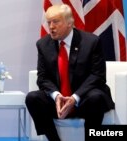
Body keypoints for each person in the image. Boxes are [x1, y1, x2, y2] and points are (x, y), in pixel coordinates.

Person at [25, 4, 114, 141]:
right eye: (49, 22)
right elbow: (42, 78)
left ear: (69, 23)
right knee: (32, 98)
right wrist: (56, 96)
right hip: (58, 103)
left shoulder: (91, 42)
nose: (51, 27)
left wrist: (74, 98)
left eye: (56, 21)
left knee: (96, 97)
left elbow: (97, 76)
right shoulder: (43, 44)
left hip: (84, 99)